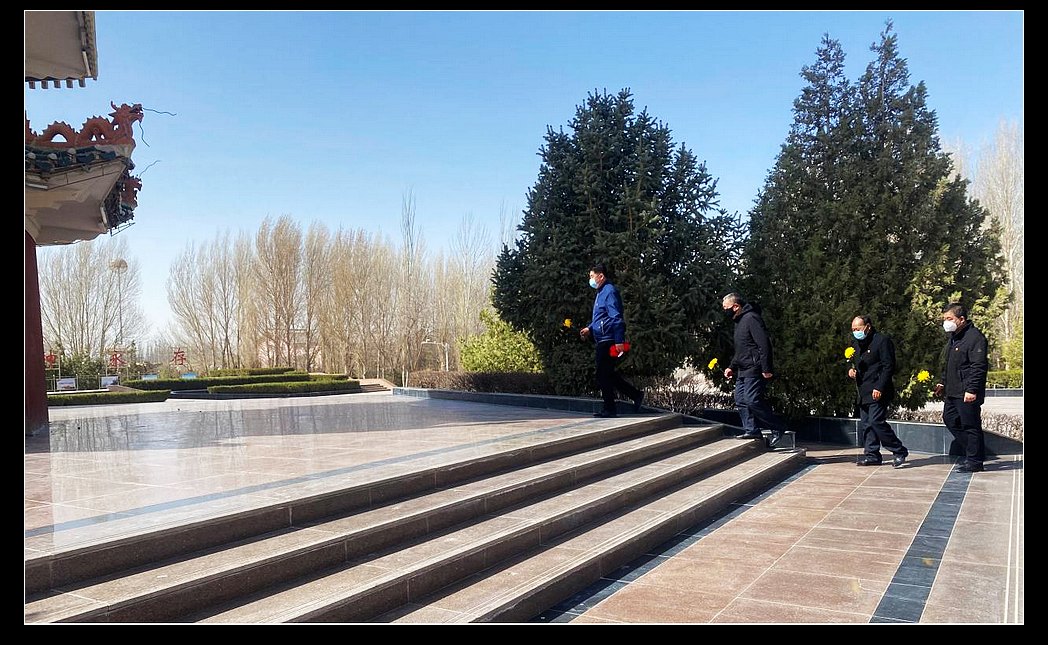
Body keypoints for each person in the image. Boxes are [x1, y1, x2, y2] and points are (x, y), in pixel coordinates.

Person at [721, 293, 788, 448]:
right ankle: (752, 430)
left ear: (736, 306)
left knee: (752, 399)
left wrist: (766, 368)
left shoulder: (751, 318)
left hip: (754, 368)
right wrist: (731, 367)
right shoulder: (738, 322)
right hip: (742, 369)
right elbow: (741, 350)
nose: (725, 311)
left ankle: (777, 427)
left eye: (726, 308)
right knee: (740, 399)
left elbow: (764, 344)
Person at [579, 264, 644, 418]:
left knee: (602, 374)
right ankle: (635, 395)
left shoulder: (609, 291)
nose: (590, 280)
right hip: (602, 338)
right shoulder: (601, 292)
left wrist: (619, 340)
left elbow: (616, 317)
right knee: (607, 373)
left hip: (608, 339)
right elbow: (601, 317)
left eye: (592, 276)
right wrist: (590, 328)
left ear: (601, 276)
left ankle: (610, 408)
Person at [934, 303, 989, 473]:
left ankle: (975, 461)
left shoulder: (975, 338)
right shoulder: (954, 337)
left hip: (966, 392)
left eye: (949, 319)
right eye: (945, 319)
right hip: (953, 391)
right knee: (950, 419)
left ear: (962, 319)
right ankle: (976, 452)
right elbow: (950, 364)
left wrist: (972, 390)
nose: (946, 322)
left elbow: (978, 367)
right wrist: (943, 382)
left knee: (970, 425)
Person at [847, 315, 909, 468]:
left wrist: (880, 387)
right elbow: (855, 363)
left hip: (878, 389)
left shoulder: (882, 341)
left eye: (858, 329)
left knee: (876, 421)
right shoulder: (856, 344)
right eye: (853, 330)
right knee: (867, 424)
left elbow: (888, 366)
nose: (855, 332)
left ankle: (899, 450)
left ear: (867, 327)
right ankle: (872, 455)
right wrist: (851, 370)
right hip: (863, 389)